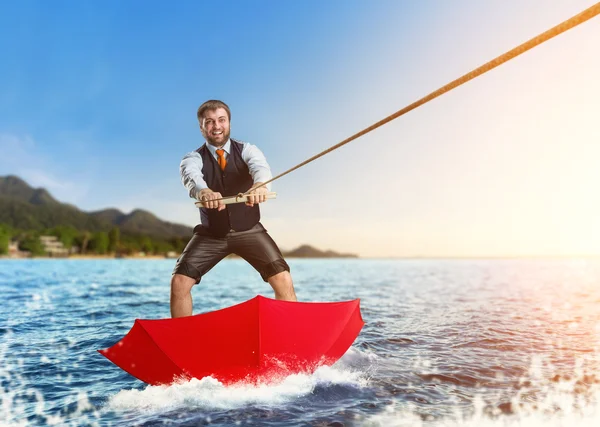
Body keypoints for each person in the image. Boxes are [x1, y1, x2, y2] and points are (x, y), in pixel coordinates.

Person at [170, 100, 297, 317]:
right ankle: (181, 341)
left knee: (282, 277)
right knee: (179, 282)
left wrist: (260, 186)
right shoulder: (192, 158)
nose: (216, 126)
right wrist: (204, 192)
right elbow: (191, 178)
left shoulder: (248, 150)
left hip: (249, 230)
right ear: (201, 128)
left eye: (221, 120)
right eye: (209, 122)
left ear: (229, 122)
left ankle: (291, 336)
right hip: (212, 234)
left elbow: (261, 169)